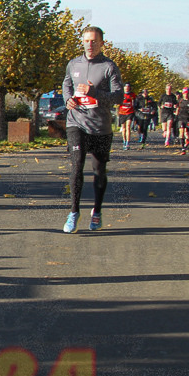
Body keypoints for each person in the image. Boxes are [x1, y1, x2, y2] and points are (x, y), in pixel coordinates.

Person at [61, 26, 123, 233]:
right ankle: (73, 212)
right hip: (76, 122)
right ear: (83, 42)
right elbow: (66, 85)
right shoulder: (73, 64)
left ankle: (96, 211)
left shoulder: (109, 67)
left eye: (94, 41)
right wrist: (67, 100)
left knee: (99, 170)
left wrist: (94, 92)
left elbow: (118, 97)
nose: (90, 44)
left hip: (100, 126)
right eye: (87, 40)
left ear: (102, 43)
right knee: (76, 165)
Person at [117, 83, 135, 150]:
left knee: (128, 126)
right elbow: (117, 104)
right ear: (123, 87)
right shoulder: (121, 94)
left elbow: (135, 103)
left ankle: (128, 142)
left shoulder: (132, 95)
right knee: (123, 128)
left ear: (130, 88)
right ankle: (124, 141)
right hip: (122, 113)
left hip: (130, 112)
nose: (127, 88)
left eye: (128, 87)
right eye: (125, 87)